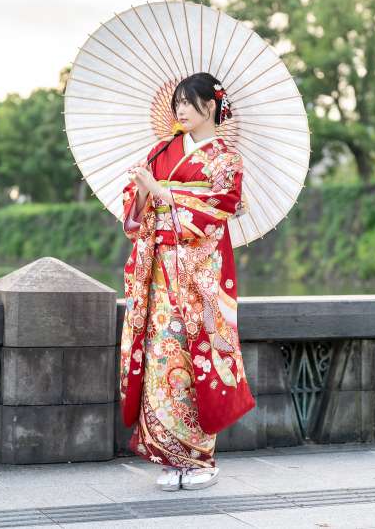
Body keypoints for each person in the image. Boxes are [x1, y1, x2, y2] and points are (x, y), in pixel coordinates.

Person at [119, 72, 256, 492]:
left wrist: (162, 193)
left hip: (200, 278)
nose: (179, 110)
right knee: (162, 358)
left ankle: (201, 459)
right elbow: (133, 214)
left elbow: (220, 209)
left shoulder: (226, 160)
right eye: (176, 103)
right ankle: (168, 455)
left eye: (187, 102)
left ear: (210, 106)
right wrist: (143, 194)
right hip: (160, 273)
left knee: (196, 359)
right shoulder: (161, 150)